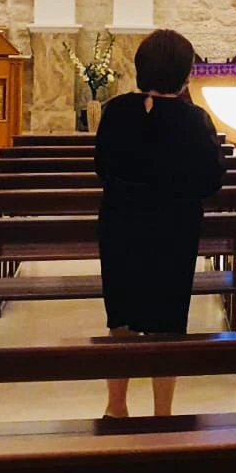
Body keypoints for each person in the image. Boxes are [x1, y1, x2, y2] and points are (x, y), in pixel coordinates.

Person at [95, 28, 225, 419]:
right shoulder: (194, 120)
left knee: (120, 318)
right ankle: (162, 413)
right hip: (175, 229)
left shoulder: (116, 112)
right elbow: (211, 181)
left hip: (121, 226)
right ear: (185, 75)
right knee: (168, 323)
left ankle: (116, 406)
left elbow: (103, 167)